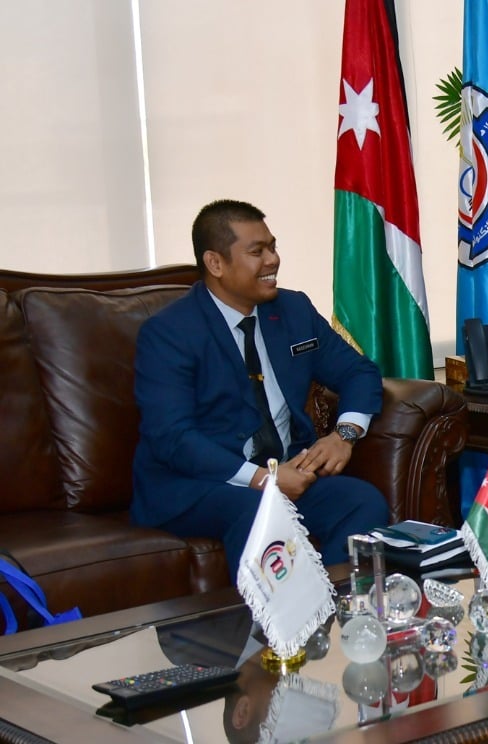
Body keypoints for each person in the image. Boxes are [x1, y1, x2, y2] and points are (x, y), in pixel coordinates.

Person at [132, 199, 389, 576]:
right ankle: (280, 615)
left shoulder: (293, 310)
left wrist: (344, 435)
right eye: (257, 252)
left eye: (273, 247)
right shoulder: (169, 333)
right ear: (215, 263)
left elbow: (359, 372)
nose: (273, 260)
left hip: (288, 470)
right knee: (258, 512)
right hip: (202, 484)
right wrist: (264, 479)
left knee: (362, 501)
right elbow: (172, 437)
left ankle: (332, 605)